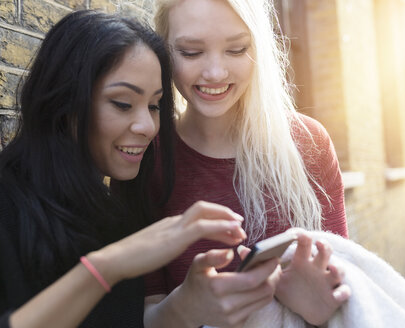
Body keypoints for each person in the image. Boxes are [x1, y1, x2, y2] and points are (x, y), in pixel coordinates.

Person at [0, 10, 249, 327]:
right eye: (123, 103)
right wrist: (104, 269)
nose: (147, 126)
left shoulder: (116, 220)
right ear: (65, 103)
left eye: (155, 106)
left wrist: (189, 300)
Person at [142, 0, 351, 327]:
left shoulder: (309, 143)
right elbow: (144, 315)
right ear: (163, 51)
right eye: (191, 53)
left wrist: (320, 305)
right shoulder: (147, 156)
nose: (215, 73)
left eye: (237, 50)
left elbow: (349, 286)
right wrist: (186, 304)